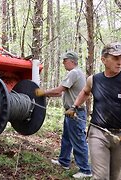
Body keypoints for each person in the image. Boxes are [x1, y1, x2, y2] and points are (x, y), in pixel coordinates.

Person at [66, 42, 121, 179]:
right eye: (115, 58)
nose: (120, 62)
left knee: (115, 177)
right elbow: (85, 92)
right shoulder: (94, 80)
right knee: (101, 177)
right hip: (98, 133)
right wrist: (74, 107)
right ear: (104, 60)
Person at [35, 51, 92, 179]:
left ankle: (85, 170)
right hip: (70, 112)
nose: (63, 63)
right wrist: (46, 94)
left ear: (71, 61)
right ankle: (64, 161)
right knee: (66, 138)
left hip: (75, 112)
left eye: (65, 60)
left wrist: (43, 92)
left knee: (78, 140)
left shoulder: (74, 73)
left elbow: (59, 90)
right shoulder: (77, 73)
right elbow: (60, 93)